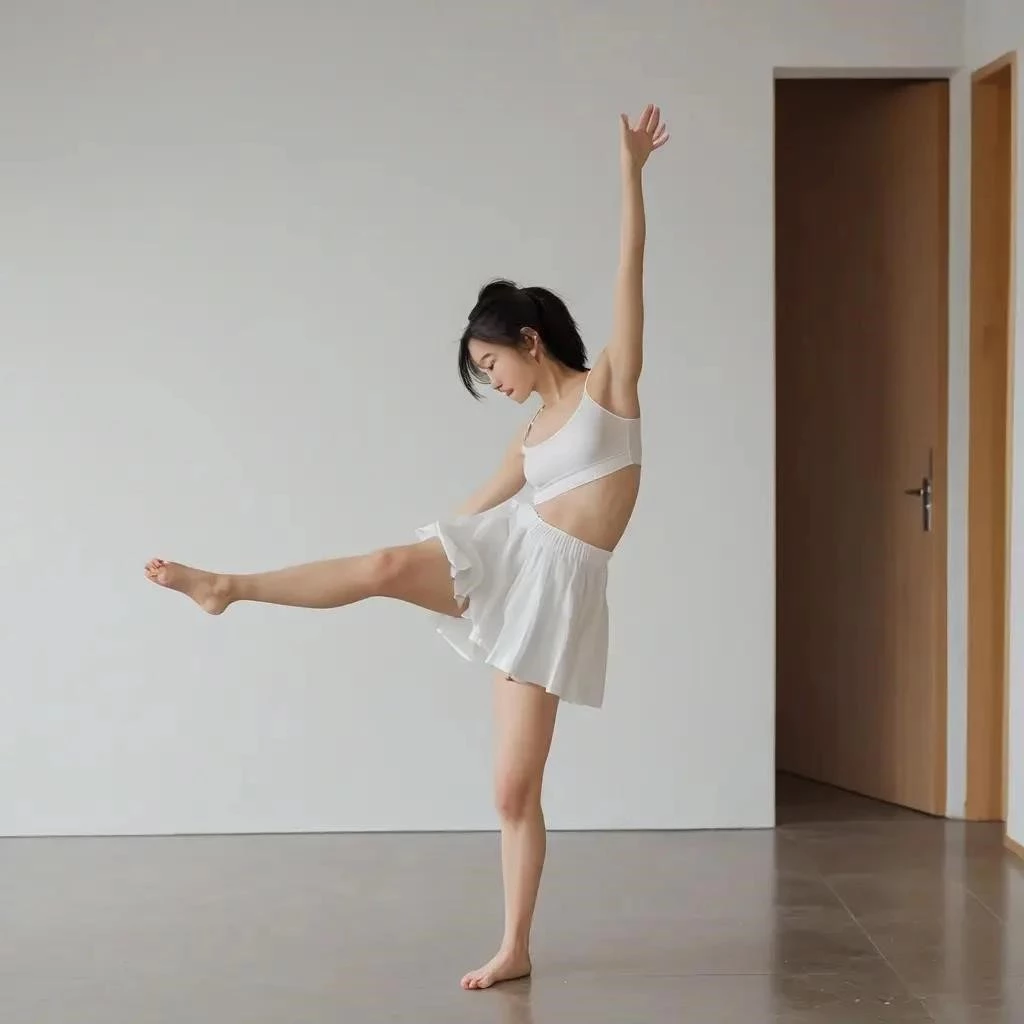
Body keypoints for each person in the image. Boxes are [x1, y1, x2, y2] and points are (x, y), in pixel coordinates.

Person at [144, 104, 668, 989]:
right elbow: (478, 508)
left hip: (560, 591)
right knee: (387, 566)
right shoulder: (532, 434)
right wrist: (435, 549)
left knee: (512, 791)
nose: (492, 383)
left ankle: (515, 945)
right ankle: (226, 586)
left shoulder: (609, 387)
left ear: (530, 341)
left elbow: (630, 271)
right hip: (515, 556)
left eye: (491, 366)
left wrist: (631, 173)